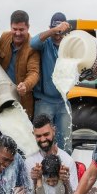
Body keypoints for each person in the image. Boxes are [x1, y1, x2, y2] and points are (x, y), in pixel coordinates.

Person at [30, 12, 73, 153]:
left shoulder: (70, 46)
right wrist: (54, 30)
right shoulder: (45, 44)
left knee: (65, 145)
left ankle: (64, 172)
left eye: (61, 31)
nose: (58, 34)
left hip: (63, 101)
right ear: (51, 28)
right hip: (44, 101)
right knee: (42, 143)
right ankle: (40, 173)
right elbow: (33, 42)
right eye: (56, 30)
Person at [0, 10, 40, 120]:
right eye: (15, 29)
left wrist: (25, 85)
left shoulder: (33, 47)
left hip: (22, 102)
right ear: (10, 26)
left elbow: (34, 72)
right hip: (2, 99)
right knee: (0, 134)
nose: (17, 33)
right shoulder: (4, 37)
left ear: (28, 27)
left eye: (21, 30)